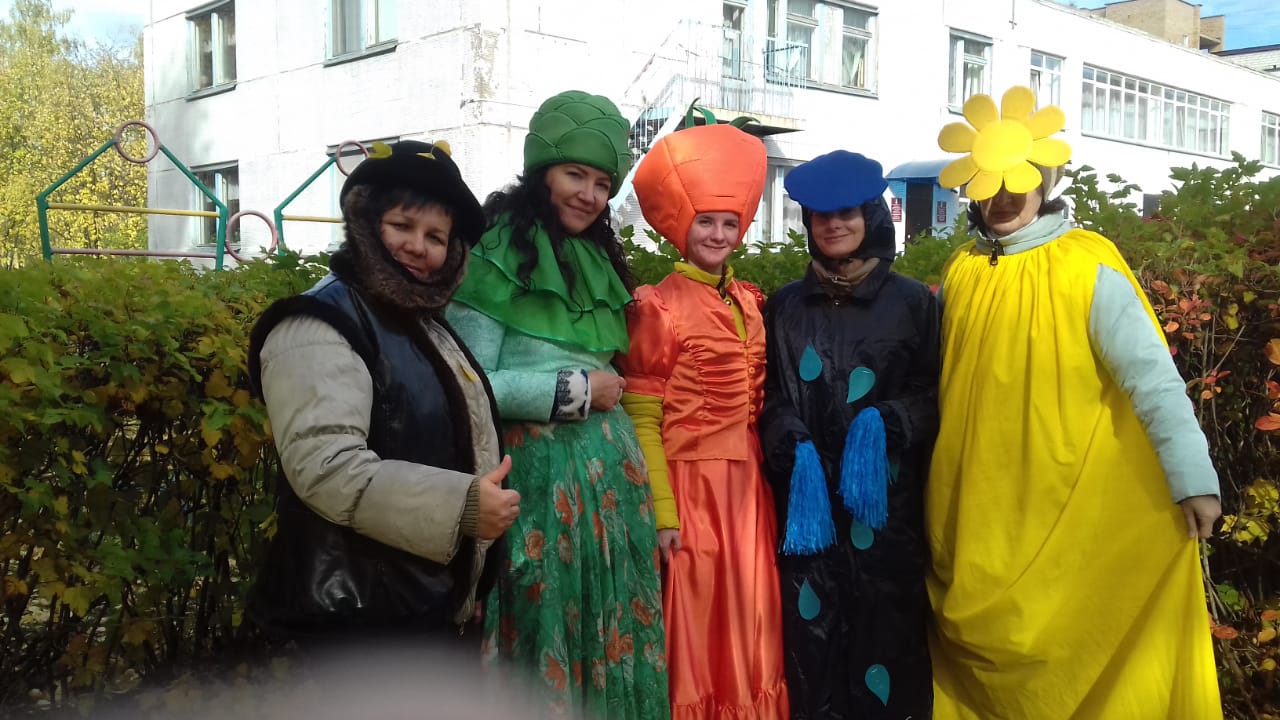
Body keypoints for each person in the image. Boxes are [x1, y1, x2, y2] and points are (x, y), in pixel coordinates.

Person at [927, 85, 1223, 719]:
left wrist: (1192, 478)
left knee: (1064, 644)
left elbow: (1151, 378)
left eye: (1020, 181)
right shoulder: (962, 269)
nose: (1005, 197)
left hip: (1064, 505)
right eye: (992, 183)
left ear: (1045, 181)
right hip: (975, 506)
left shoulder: (1086, 265)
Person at [245, 139, 520, 656]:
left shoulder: (422, 324)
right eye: (402, 226)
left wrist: (471, 576)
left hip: (417, 612)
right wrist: (462, 507)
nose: (418, 246)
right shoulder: (319, 323)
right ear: (366, 222)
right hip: (353, 629)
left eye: (436, 236)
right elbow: (327, 468)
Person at [446, 90, 669, 719]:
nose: (590, 195)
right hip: (541, 495)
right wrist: (577, 391)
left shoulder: (596, 255)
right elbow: (469, 381)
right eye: (575, 174)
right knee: (547, 628)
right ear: (542, 170)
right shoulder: (494, 253)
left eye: (602, 183)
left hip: (612, 493)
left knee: (611, 630)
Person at [617, 122, 789, 718]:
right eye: (705, 222)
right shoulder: (657, 306)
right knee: (696, 625)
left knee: (753, 621)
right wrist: (662, 511)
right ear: (681, 226)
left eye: (729, 224)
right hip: (691, 493)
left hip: (748, 493)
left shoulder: (750, 301)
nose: (718, 235)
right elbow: (643, 416)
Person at [759, 150, 940, 719]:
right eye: (821, 215)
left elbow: (937, 392)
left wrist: (889, 422)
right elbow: (768, 394)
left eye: (846, 213)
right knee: (812, 644)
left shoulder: (912, 303)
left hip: (885, 510)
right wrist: (789, 439)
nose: (833, 225)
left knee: (885, 635)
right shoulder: (784, 306)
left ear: (869, 217)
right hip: (806, 510)